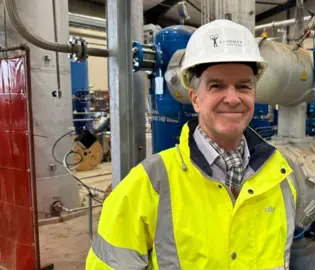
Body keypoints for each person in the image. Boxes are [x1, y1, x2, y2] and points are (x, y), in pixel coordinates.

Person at [85, 19, 297, 270]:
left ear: (254, 95)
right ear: (195, 99)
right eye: (216, 86)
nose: (232, 98)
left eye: (243, 86)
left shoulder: (281, 178)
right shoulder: (149, 184)